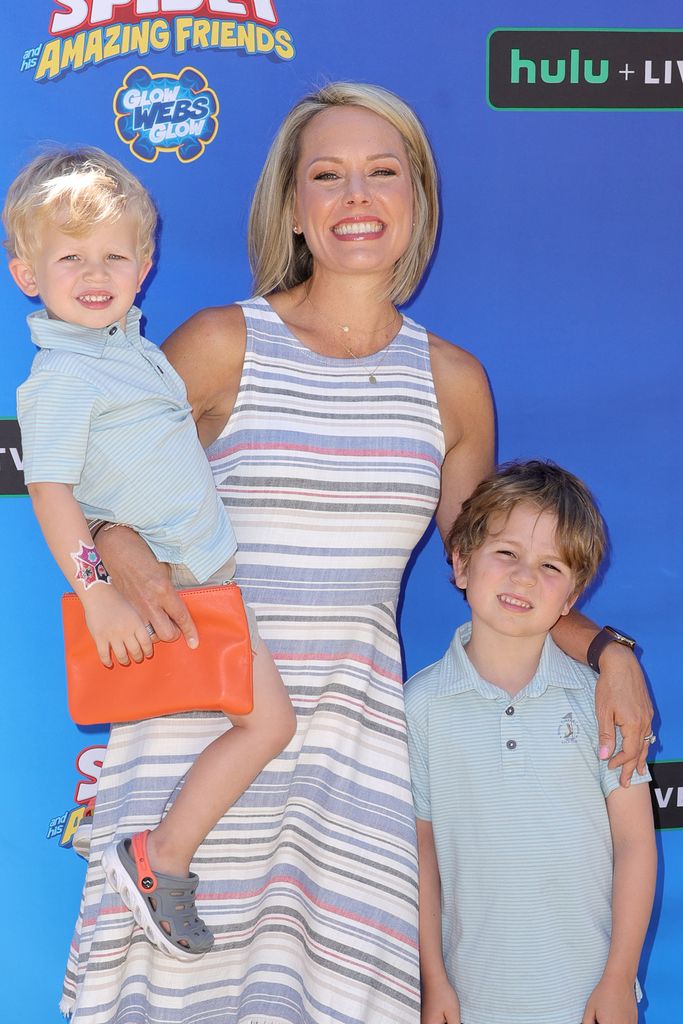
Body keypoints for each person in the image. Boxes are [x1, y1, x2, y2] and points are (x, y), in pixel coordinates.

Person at [53, 84, 652, 1024]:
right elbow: (96, 497)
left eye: (382, 172)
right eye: (326, 176)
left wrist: (610, 651)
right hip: (204, 727)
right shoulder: (220, 344)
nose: (356, 197)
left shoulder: (453, 383)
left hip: (348, 751)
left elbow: (492, 571)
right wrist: (120, 550)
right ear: (293, 206)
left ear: (416, 195)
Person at [4, 148, 295, 963]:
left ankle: (158, 853)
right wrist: (97, 590)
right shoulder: (61, 373)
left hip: (203, 581)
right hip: (163, 590)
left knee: (267, 723)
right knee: (268, 723)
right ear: (27, 272)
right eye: (70, 258)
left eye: (113, 256)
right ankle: (159, 855)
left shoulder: (130, 352)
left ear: (145, 267)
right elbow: (52, 491)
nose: (94, 274)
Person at [406, 461, 656, 1024]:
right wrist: (434, 981)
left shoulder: (601, 702)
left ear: (571, 599)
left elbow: (636, 844)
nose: (524, 578)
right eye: (506, 553)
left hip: (589, 998)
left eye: (550, 566)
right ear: (461, 561)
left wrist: (620, 977)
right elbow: (421, 858)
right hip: (469, 1001)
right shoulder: (418, 705)